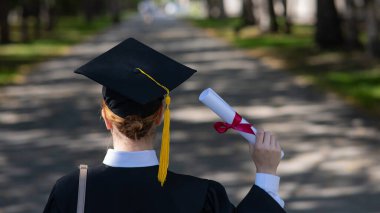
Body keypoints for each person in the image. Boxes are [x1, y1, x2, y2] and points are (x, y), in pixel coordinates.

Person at [43, 38, 286, 213]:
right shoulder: (199, 196)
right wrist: (266, 174)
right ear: (160, 115)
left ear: (106, 117)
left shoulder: (71, 191)